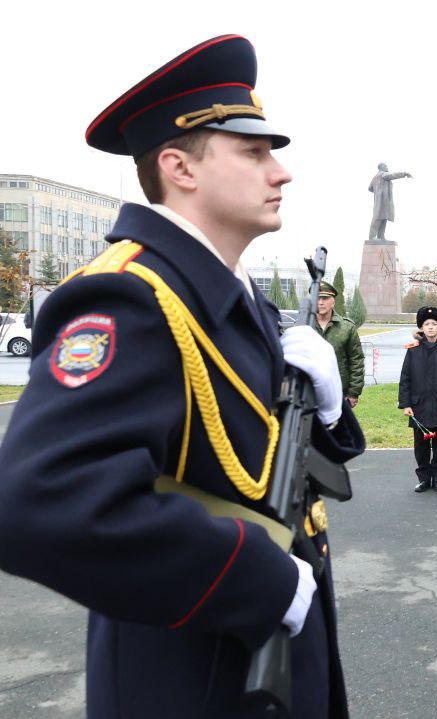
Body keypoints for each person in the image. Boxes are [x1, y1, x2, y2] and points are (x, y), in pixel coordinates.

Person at [0, 35, 366, 717]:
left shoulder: (235, 294)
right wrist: (257, 578)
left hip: (266, 670)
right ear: (178, 167)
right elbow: (38, 502)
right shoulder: (132, 297)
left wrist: (330, 411)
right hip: (191, 679)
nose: (280, 172)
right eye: (254, 153)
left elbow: (255, 463)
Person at [400, 306, 437, 493]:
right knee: (421, 446)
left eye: (434, 324)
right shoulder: (412, 351)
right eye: (426, 324)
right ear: (421, 328)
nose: (430, 327)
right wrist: (406, 404)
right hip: (419, 407)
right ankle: (424, 479)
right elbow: (405, 379)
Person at [317, 280, 365, 407]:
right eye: (317, 298)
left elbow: (356, 361)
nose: (320, 302)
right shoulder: (303, 327)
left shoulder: (346, 327)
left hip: (338, 393)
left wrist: (353, 393)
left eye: (325, 298)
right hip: (308, 392)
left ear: (333, 301)